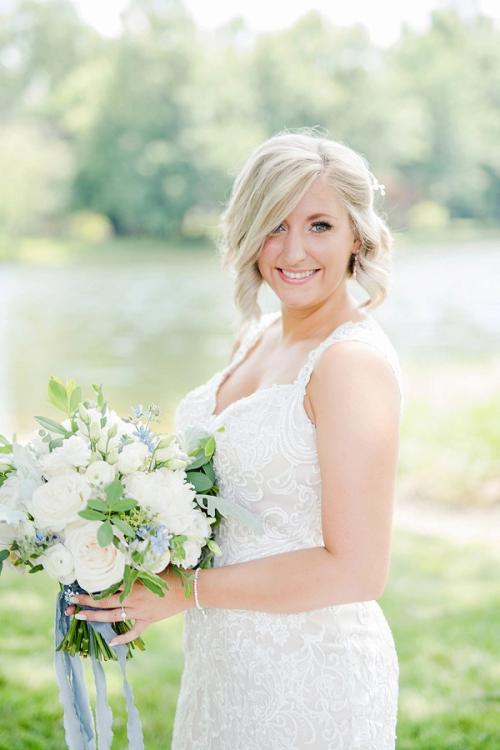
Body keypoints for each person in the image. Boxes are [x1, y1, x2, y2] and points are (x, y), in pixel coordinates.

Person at [67, 128, 404, 749]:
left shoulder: (349, 364)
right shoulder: (259, 336)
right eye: (273, 224)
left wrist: (185, 592)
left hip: (312, 680)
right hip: (224, 665)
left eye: (320, 225)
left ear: (357, 234)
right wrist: (117, 549)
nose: (294, 248)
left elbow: (357, 570)